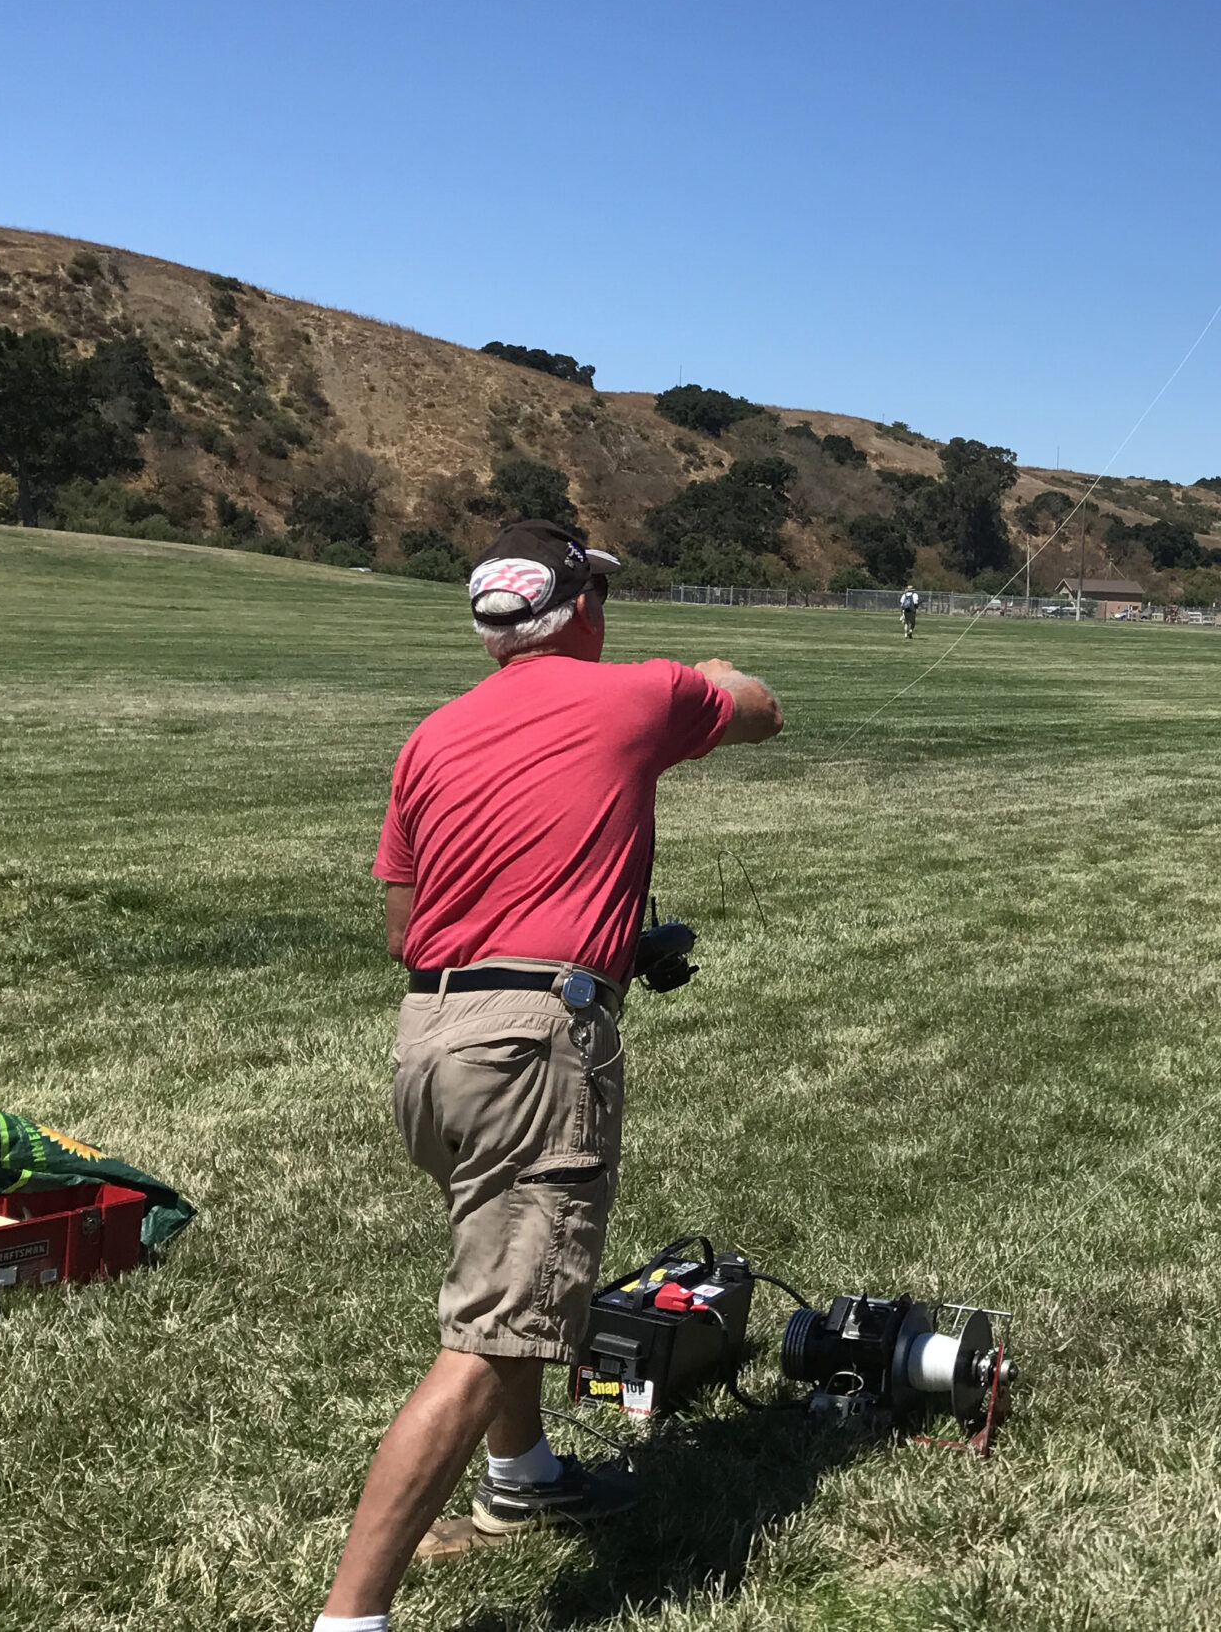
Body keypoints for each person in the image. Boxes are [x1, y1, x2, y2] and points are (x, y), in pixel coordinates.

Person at [315, 519, 782, 1632]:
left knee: (506, 1277)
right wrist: (708, 675)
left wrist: (607, 938)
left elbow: (404, 924)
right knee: (494, 1327)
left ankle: (522, 1476)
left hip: (430, 1038)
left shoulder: (430, 737)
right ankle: (350, 1614)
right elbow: (762, 708)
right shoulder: (638, 694)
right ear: (578, 608)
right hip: (533, 1045)